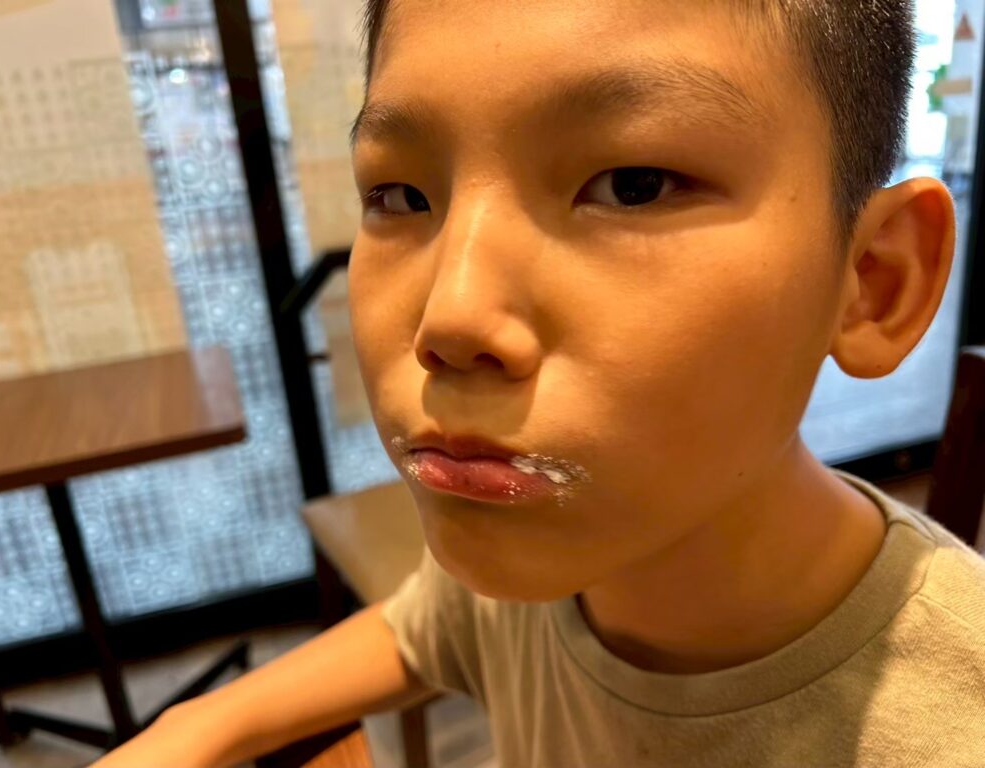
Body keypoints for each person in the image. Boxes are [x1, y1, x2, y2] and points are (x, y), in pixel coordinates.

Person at [92, 1, 985, 766]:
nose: (450, 319)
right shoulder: (555, 551)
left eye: (633, 186)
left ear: (874, 280)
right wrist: (197, 727)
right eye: (402, 195)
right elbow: (422, 629)